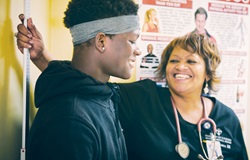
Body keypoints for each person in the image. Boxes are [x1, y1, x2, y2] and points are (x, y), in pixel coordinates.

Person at [16, 19, 249, 160]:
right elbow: (89, 84)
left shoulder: (227, 119)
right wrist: (41, 57)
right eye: (173, 60)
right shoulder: (142, 98)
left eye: (191, 61)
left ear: (208, 72)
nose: (180, 67)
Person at [15, 0, 141, 159]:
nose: (139, 51)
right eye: (132, 41)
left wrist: (41, 56)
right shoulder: (69, 123)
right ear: (101, 42)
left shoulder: (100, 94)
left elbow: (72, 80)